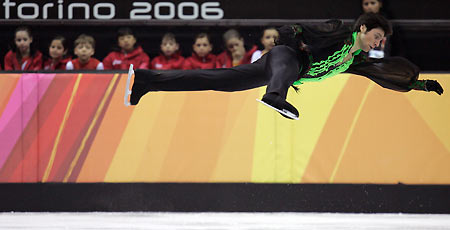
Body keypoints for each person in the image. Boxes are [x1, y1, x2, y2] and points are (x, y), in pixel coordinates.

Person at [126, 13, 443, 120]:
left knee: (215, 79)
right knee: (287, 66)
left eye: (382, 40)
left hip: (284, 71)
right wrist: (296, 40)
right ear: (362, 29)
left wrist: (422, 85)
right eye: (376, 36)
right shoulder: (341, 33)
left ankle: (146, 80)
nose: (379, 42)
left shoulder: (356, 61)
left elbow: (386, 76)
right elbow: (298, 28)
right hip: (284, 59)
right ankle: (274, 96)